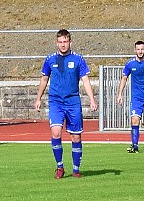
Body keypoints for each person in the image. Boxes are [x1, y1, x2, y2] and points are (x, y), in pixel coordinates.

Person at [34, 29, 97, 179]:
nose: (63, 45)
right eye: (60, 42)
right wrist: (38, 98)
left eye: (65, 42)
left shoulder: (78, 59)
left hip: (73, 101)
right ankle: (60, 167)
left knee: (76, 137)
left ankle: (76, 169)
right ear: (57, 43)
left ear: (70, 42)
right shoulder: (50, 59)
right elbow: (44, 79)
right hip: (56, 101)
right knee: (55, 132)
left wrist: (92, 99)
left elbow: (86, 81)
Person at [116, 41, 144, 153]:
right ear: (135, 50)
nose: (140, 51)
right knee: (134, 120)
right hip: (137, 98)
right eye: (138, 49)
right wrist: (120, 93)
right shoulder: (130, 64)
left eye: (142, 49)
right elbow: (124, 78)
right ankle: (135, 146)